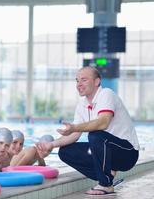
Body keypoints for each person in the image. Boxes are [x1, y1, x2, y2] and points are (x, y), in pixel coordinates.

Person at [36, 66, 139, 195]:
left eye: (84, 80)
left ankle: (105, 184)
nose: (79, 84)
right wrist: (51, 145)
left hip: (127, 153)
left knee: (96, 135)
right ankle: (107, 174)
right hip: (108, 152)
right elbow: (74, 135)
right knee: (65, 152)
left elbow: (103, 122)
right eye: (77, 80)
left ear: (97, 82)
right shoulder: (82, 104)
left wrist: (75, 127)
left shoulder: (106, 94)